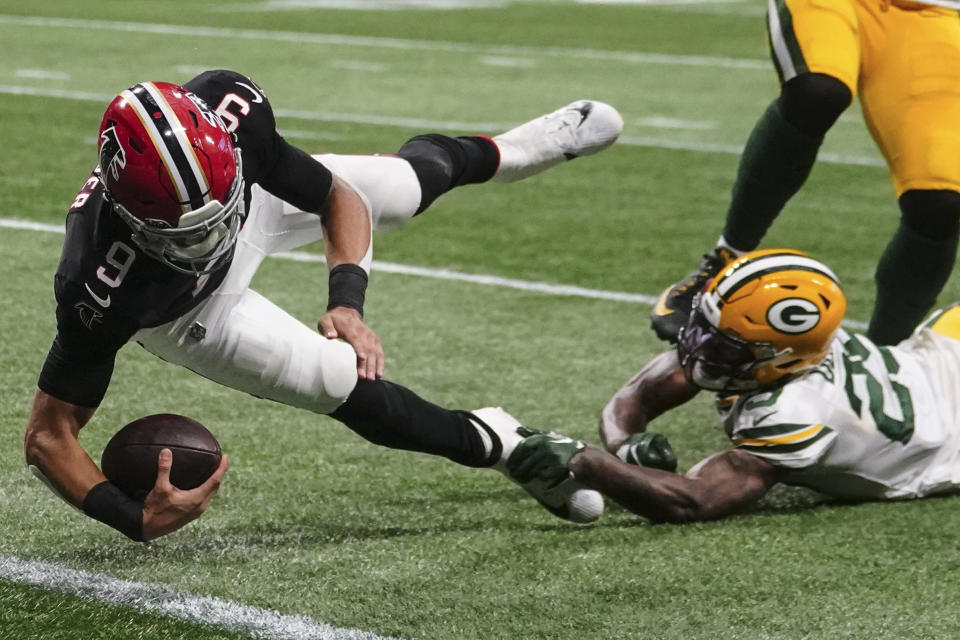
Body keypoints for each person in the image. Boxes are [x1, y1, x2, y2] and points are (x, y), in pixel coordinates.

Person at [23, 69, 624, 541]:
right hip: (183, 309)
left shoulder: (234, 116)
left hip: (250, 200)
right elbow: (49, 435)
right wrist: (132, 519)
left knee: (402, 189)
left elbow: (339, 197)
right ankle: (508, 446)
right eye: (188, 230)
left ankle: (518, 149)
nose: (211, 235)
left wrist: (347, 302)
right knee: (340, 380)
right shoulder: (99, 282)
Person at [506, 249, 960, 523]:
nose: (698, 347)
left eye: (721, 344)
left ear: (777, 356)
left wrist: (592, 464)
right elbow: (640, 397)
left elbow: (693, 502)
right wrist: (625, 444)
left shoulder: (794, 411)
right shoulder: (778, 349)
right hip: (937, 349)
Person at [649, 0, 960, 347]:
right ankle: (722, 263)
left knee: (941, 201)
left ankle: (883, 361)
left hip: (931, 9)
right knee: (817, 90)